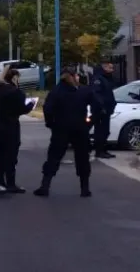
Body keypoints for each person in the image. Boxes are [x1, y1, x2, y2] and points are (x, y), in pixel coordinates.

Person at [34, 67, 102, 198]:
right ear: (72, 76)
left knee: (54, 157)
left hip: (61, 129)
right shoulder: (83, 91)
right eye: (76, 75)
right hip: (80, 129)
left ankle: (45, 186)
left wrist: (51, 124)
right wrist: (90, 122)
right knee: (82, 158)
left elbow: (47, 109)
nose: (78, 77)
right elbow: (98, 106)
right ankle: (85, 188)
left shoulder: (56, 91)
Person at [0, 66, 34, 192]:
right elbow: (21, 109)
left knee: (0, 154)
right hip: (11, 125)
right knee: (11, 155)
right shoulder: (15, 92)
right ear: (14, 78)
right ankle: (11, 183)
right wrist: (30, 105)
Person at [90, 60, 118, 159]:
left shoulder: (106, 79)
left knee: (105, 131)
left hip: (106, 109)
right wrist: (102, 107)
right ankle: (99, 151)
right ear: (104, 68)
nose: (112, 70)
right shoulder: (98, 79)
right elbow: (96, 94)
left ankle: (103, 150)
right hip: (100, 110)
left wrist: (112, 105)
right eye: (110, 68)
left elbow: (109, 94)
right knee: (100, 131)